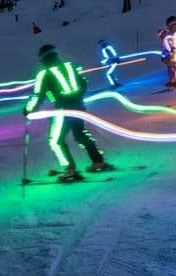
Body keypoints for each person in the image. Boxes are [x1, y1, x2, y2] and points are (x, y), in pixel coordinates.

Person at [24, 43, 112, 181]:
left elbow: (38, 96)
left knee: (56, 141)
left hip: (62, 110)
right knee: (80, 134)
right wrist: (77, 97)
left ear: (43, 59)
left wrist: (29, 109)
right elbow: (83, 83)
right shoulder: (69, 66)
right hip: (78, 106)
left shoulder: (45, 74)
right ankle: (98, 161)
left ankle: (70, 169)